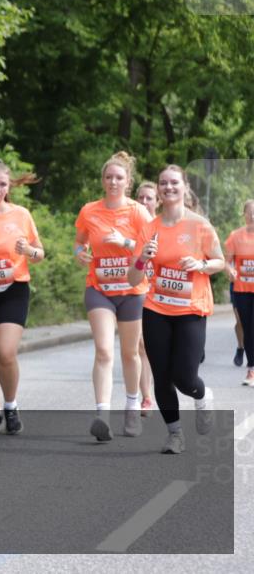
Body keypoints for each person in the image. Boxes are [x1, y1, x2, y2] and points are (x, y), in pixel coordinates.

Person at [128, 165, 224, 453]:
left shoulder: (199, 225)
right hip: (157, 308)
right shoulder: (149, 228)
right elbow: (133, 278)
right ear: (158, 189)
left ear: (184, 187)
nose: (168, 187)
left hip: (191, 309)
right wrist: (142, 259)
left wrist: (202, 265)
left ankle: (202, 394)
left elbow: (220, 261)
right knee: (162, 375)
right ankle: (175, 434)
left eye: (174, 183)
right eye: (163, 183)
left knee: (184, 377)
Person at [74, 151, 152, 441]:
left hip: (132, 291)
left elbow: (152, 247)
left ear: (128, 181)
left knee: (130, 353)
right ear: (103, 180)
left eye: (119, 177)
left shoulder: (137, 212)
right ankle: (102, 415)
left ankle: (132, 405)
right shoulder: (89, 211)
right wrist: (79, 254)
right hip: (99, 290)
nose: (113, 181)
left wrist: (126, 242)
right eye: (109, 177)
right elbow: (79, 243)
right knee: (104, 350)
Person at [0, 160, 44, 435]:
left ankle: (11, 406)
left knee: (4, 351)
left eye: (2, 184)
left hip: (13, 289)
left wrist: (28, 250)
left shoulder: (21, 215)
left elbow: (40, 254)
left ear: (8, 186)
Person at [135, 181, 159, 415]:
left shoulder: (165, 226)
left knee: (160, 347)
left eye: (149, 198)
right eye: (140, 198)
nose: (144, 202)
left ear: (157, 201)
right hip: (138, 291)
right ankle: (146, 397)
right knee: (141, 346)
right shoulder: (134, 226)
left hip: (164, 296)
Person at [224, 199, 254, 385]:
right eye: (249, 212)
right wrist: (230, 270)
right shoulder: (235, 236)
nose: (253, 215)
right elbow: (226, 261)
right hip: (242, 290)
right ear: (243, 214)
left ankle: (251, 369)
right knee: (247, 328)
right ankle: (251, 369)